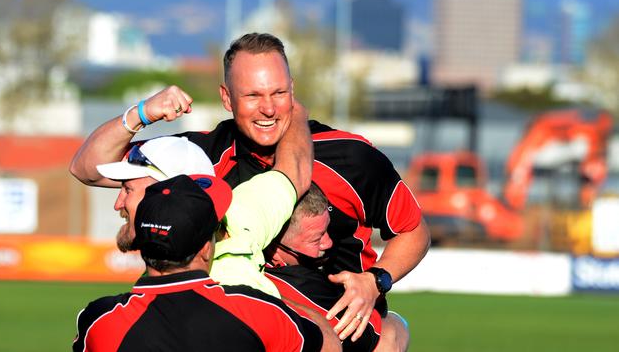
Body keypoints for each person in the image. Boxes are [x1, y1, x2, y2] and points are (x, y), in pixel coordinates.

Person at [70, 32, 431, 341]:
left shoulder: (352, 157)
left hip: (343, 328)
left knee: (390, 333)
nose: (269, 109)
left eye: (278, 93)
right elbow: (88, 168)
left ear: (293, 90)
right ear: (227, 98)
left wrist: (376, 280)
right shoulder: (199, 158)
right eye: (253, 96)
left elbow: (414, 231)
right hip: (240, 329)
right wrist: (142, 113)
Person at [73, 174, 339, 351]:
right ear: (205, 248)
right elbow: (328, 344)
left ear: (140, 240)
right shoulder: (260, 312)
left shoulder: (99, 319)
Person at [89, 102, 312, 298]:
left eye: (128, 190)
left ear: (168, 194)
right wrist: (290, 104)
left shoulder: (203, 295)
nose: (118, 204)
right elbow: (295, 167)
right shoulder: (243, 211)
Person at [264, 183, 410, 352]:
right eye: (315, 239)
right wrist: (398, 321)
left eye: (327, 230)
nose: (328, 242)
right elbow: (387, 343)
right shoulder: (301, 284)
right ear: (274, 249)